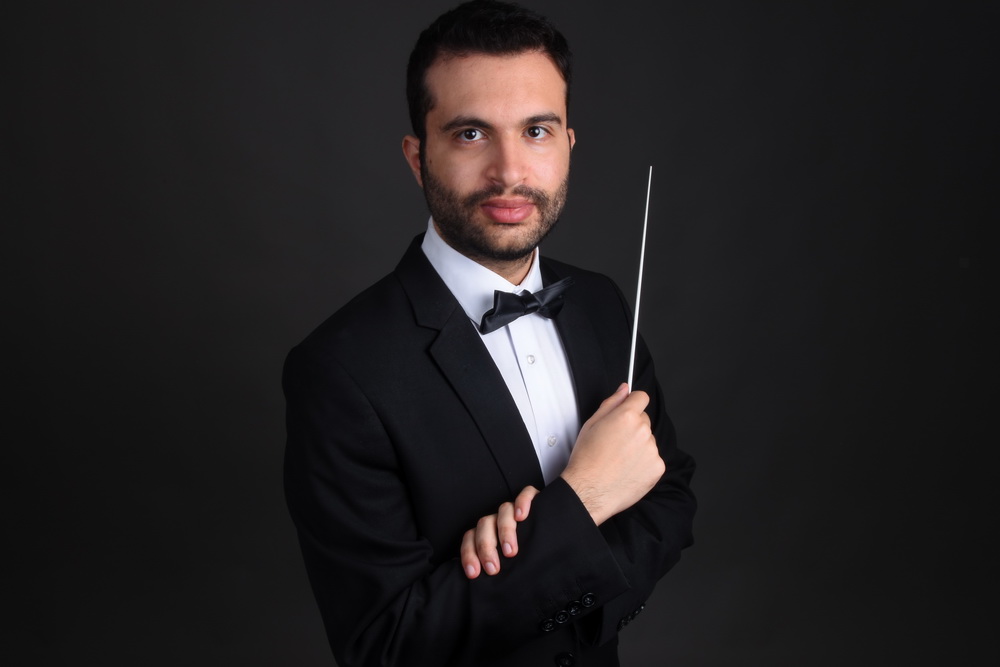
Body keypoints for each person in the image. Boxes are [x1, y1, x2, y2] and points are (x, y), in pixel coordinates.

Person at [282, 2, 696, 665]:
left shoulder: (602, 304)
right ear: (418, 157)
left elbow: (669, 498)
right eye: (471, 133)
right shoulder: (338, 371)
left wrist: (560, 573)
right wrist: (584, 500)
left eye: (536, 130)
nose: (509, 171)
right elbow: (385, 644)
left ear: (568, 144)